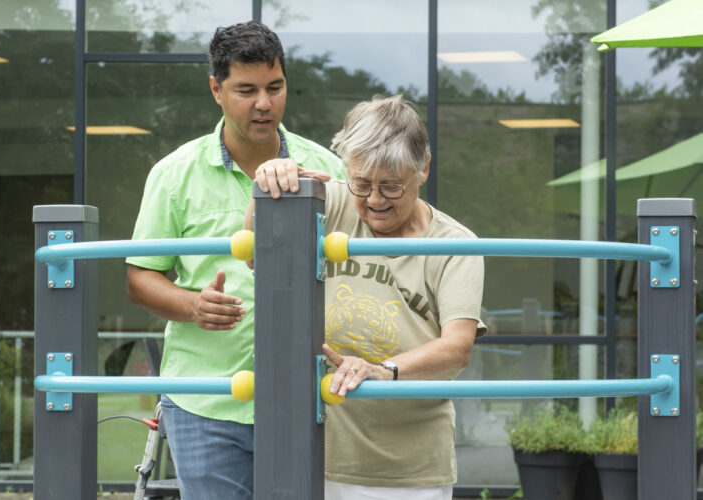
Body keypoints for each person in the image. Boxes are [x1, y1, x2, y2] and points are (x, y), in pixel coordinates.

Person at [125, 21, 345, 500]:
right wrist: (191, 306)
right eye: (246, 90)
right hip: (205, 403)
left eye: (275, 87)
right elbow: (140, 278)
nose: (263, 103)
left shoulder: (328, 169)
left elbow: (361, 272)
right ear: (216, 90)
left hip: (306, 399)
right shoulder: (173, 174)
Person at [252, 95, 486, 500]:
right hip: (317, 453)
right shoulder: (330, 203)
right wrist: (270, 187)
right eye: (362, 183)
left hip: (410, 470)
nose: (375, 200)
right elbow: (262, 257)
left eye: (391, 186)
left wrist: (382, 370)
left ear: (423, 169)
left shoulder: (456, 244)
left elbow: (457, 347)